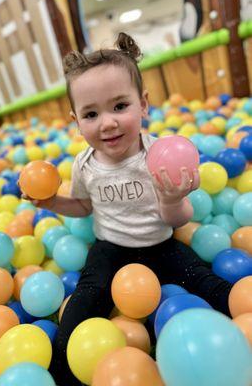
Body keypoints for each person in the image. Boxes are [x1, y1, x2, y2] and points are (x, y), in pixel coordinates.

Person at [26, 33, 232, 385]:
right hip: (110, 248)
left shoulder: (160, 156)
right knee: (85, 301)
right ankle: (63, 371)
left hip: (160, 244)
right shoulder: (85, 165)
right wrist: (51, 202)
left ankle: (237, 325)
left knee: (204, 280)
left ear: (143, 104)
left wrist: (171, 198)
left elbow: (180, 217)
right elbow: (83, 205)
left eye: (120, 106)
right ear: (76, 121)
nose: (107, 122)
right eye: (91, 113)